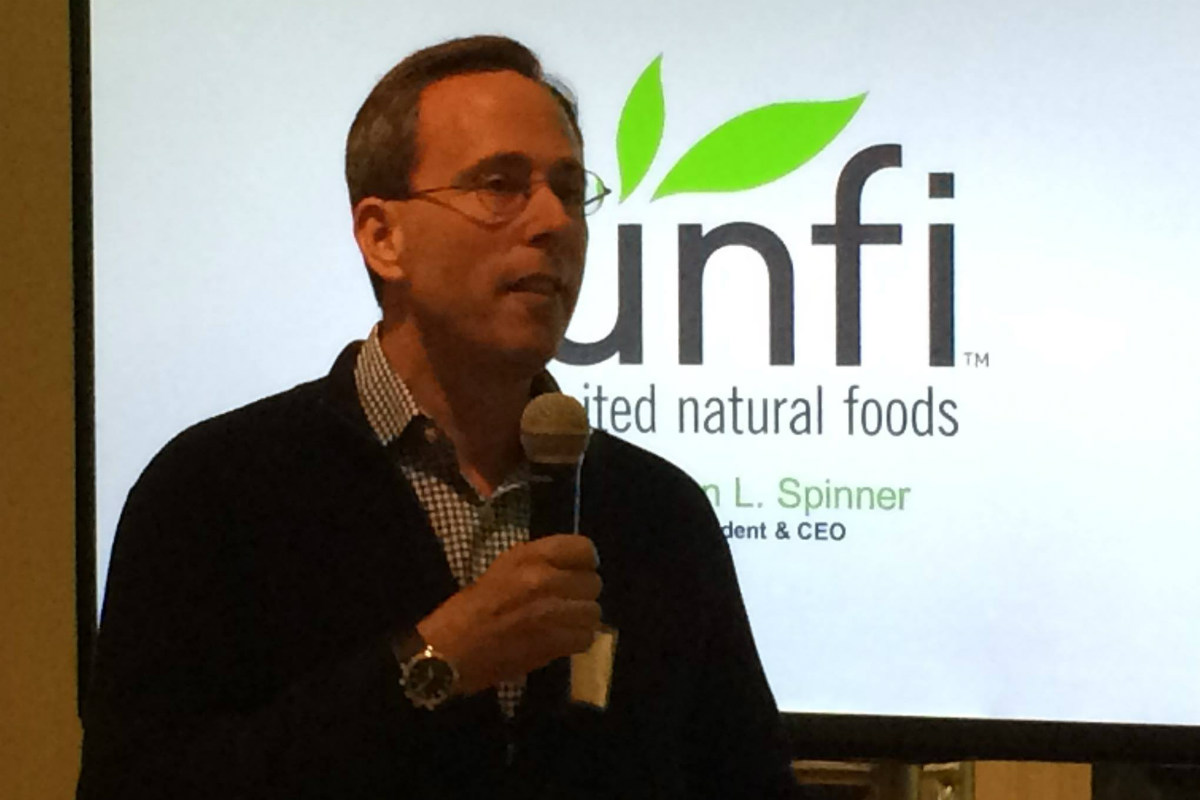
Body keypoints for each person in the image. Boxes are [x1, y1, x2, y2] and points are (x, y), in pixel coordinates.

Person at [78, 35, 795, 799]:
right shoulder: (214, 490)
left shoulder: (658, 513)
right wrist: (435, 662)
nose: (553, 221)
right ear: (382, 237)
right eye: (500, 184)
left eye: (568, 188)